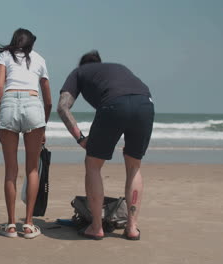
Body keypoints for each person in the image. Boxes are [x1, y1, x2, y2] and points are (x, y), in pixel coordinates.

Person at [57, 50, 154, 240]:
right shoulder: (118, 68)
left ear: (82, 65)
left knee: (93, 165)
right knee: (134, 166)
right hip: (145, 103)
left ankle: (96, 227)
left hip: (114, 104)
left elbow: (62, 107)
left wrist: (80, 138)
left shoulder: (78, 73)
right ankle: (132, 228)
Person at [0, 28, 52, 239]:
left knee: (10, 170)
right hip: (34, 104)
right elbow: (49, 98)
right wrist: (43, 125)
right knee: (32, 168)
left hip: (8, 104)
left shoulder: (5, 56)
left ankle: (9, 225)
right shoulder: (40, 59)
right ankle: (28, 224)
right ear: (30, 44)